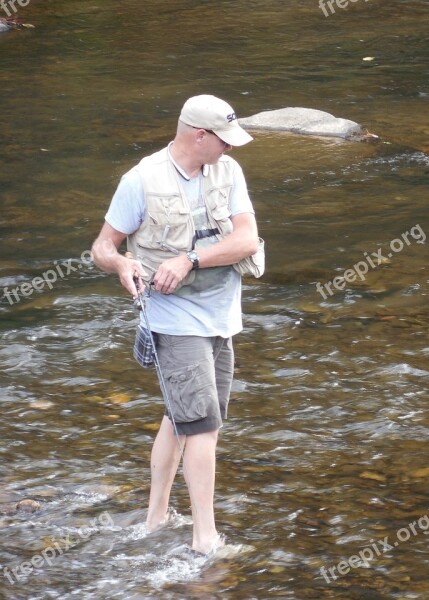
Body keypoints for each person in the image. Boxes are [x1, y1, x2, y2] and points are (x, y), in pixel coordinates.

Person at [91, 94, 261, 554]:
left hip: (223, 316)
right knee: (202, 424)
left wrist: (189, 260)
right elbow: (102, 247)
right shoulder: (140, 180)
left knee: (180, 417)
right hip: (173, 319)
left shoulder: (230, 172)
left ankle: (156, 517)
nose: (230, 148)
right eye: (223, 140)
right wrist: (122, 265)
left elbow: (246, 239)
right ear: (199, 136)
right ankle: (204, 538)